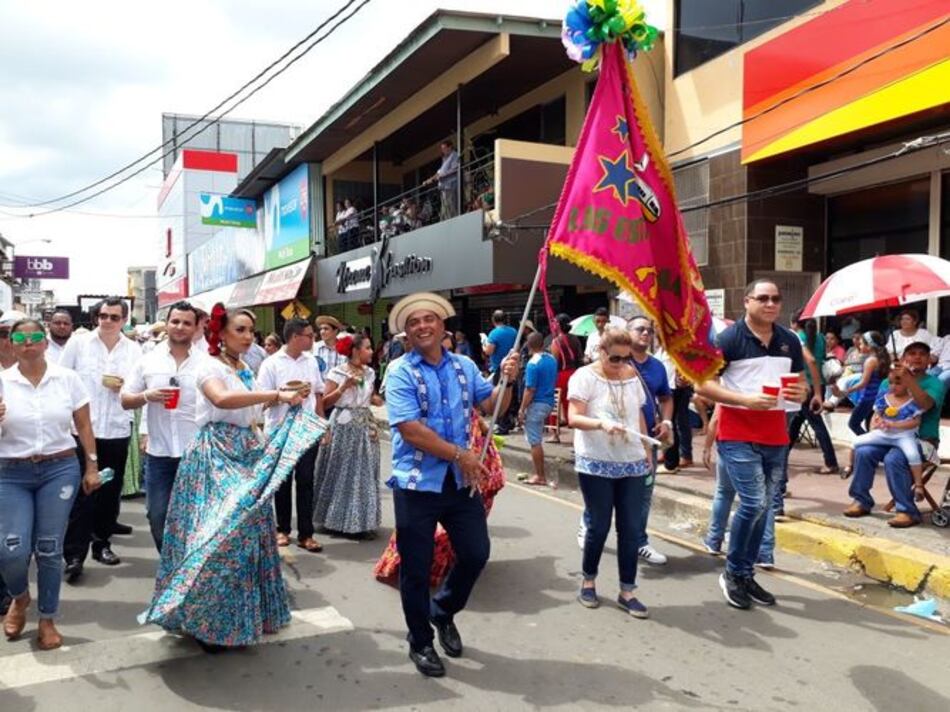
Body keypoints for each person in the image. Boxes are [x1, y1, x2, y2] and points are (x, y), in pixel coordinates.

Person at [143, 304, 324, 651]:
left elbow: (250, 410)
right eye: (239, 330)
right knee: (218, 535)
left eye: (250, 331)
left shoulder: (244, 367)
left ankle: (234, 616)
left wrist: (286, 400)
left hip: (245, 450)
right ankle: (201, 616)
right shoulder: (208, 366)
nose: (247, 337)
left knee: (248, 533)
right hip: (215, 454)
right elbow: (221, 399)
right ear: (220, 334)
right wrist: (275, 394)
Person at [384, 291, 519, 678]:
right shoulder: (399, 372)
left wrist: (507, 381)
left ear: (443, 326)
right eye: (413, 323)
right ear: (407, 334)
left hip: (460, 484)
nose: (422, 326)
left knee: (476, 554)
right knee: (416, 567)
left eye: (429, 319)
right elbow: (410, 431)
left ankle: (442, 612)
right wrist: (461, 455)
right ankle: (420, 641)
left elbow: (493, 407)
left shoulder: (463, 365)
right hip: (416, 484)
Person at [695, 279, 807, 610]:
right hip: (737, 434)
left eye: (776, 299)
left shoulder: (789, 340)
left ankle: (745, 574)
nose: (771, 304)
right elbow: (703, 385)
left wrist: (801, 393)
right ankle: (732, 573)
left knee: (765, 508)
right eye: (763, 298)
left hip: (775, 435)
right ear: (747, 302)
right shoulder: (728, 339)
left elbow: (799, 383)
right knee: (754, 503)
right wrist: (744, 400)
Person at [0, 318, 100, 650]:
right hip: (10, 472)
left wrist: (91, 466)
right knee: (11, 549)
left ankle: (47, 617)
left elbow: (83, 424)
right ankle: (19, 597)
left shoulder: (67, 379)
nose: (28, 343)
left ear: (45, 342)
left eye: (34, 337)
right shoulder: (2, 382)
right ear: (11, 345)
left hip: (59, 468)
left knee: (48, 547)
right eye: (20, 338)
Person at [567, 328, 654, 619]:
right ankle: (588, 580)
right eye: (614, 358)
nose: (620, 364)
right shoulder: (584, 376)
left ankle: (627, 591)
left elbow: (638, 415)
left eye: (625, 358)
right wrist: (600, 425)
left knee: (630, 528)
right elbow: (573, 417)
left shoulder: (631, 375)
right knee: (599, 525)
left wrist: (648, 449)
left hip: (631, 460)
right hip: (596, 461)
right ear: (601, 351)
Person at [374, 411, 505, 587]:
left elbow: (489, 404)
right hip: (433, 467)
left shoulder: (468, 404)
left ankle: (447, 569)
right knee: (424, 536)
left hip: (469, 464)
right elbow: (412, 430)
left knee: (470, 544)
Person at [60, 297, 141, 578]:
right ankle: (73, 555)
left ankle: (101, 543)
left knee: (109, 491)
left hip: (117, 428)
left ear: (124, 320)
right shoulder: (78, 344)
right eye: (103, 315)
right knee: (82, 493)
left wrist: (124, 387)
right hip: (82, 430)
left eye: (114, 317)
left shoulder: (134, 350)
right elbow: (62, 379)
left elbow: (139, 385)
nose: (107, 321)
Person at [120, 301, 203, 552]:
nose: (180, 327)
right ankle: (170, 562)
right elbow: (125, 400)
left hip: (196, 454)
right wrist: (147, 396)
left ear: (195, 327)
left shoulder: (207, 363)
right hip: (159, 454)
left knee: (196, 520)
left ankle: (185, 572)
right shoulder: (148, 361)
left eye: (187, 323)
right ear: (167, 324)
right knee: (157, 517)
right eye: (175, 321)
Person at [845, 341, 944, 527]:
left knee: (894, 458)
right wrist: (876, 424)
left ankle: (907, 510)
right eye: (912, 353)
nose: (917, 357)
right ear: (904, 358)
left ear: (929, 360)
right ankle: (861, 501)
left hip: (921, 439)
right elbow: (879, 410)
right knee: (864, 451)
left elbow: (925, 405)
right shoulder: (887, 381)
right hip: (887, 435)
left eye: (922, 354)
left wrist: (909, 380)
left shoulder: (935, 382)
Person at [257, 318, 325, 552]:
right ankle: (282, 529)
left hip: (306, 429)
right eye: (309, 335)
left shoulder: (312, 362)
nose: (313, 338)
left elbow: (318, 394)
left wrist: (322, 424)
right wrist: (283, 395)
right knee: (282, 481)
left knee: (306, 480)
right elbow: (261, 399)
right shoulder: (271, 364)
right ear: (296, 337)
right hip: (279, 429)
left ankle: (306, 533)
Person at [312, 333, 382, 538]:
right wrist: (344, 387)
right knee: (341, 471)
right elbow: (324, 403)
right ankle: (334, 519)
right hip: (343, 425)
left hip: (364, 425)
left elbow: (370, 396)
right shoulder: (337, 372)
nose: (371, 351)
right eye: (367, 347)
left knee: (364, 473)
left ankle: (361, 522)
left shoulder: (369, 372)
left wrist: (376, 400)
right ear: (355, 351)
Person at [847, 378, 926, 489]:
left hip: (903, 436)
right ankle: (850, 466)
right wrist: (877, 423)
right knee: (855, 442)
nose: (893, 386)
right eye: (891, 382)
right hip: (883, 433)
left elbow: (916, 422)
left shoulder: (913, 401)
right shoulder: (884, 398)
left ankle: (918, 485)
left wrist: (894, 425)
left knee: (913, 455)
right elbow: (877, 414)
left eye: (898, 383)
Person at [787, 316, 839, 475]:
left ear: (795, 323)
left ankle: (831, 462)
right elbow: (822, 358)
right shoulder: (821, 338)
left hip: (804, 386)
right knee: (796, 422)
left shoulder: (796, 338)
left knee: (816, 424)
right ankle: (781, 456)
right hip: (819, 384)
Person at [517, 332, 558, 486]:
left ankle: (540, 476)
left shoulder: (533, 363)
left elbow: (530, 389)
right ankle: (540, 474)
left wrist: (521, 409)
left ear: (528, 344)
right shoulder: (551, 359)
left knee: (535, 441)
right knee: (537, 440)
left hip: (536, 404)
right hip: (548, 402)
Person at [838, 332, 889, 436]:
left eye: (861, 344)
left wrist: (847, 391)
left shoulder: (870, 361)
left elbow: (863, 383)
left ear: (869, 346)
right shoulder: (885, 359)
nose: (859, 346)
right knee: (870, 425)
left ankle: (866, 442)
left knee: (853, 424)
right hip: (879, 397)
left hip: (867, 398)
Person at [548, 312, 584, 438]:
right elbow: (580, 357)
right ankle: (576, 432)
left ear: (558, 325)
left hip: (562, 374)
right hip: (575, 373)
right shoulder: (575, 339)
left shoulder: (556, 341)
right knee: (572, 402)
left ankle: (555, 434)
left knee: (555, 403)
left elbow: (555, 361)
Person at [484, 309, 518, 435]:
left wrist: (484, 344)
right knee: (511, 395)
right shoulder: (513, 331)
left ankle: (503, 425)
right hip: (513, 364)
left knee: (500, 396)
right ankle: (509, 421)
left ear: (494, 320)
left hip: (500, 367)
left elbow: (489, 351)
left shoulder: (494, 333)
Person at [424, 140, 460, 221]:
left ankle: (453, 222)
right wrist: (430, 179)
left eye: (444, 148)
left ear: (450, 147)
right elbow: (439, 172)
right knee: (445, 209)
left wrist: (442, 176)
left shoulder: (454, 155)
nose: (443, 150)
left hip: (450, 186)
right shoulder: (445, 158)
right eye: (442, 149)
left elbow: (455, 169)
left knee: (451, 207)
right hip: (443, 187)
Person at [314, 315, 346, 380]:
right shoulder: (315, 348)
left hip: (340, 388)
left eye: (326, 329)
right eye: (321, 329)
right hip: (319, 388)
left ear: (335, 331)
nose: (322, 332)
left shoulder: (345, 348)